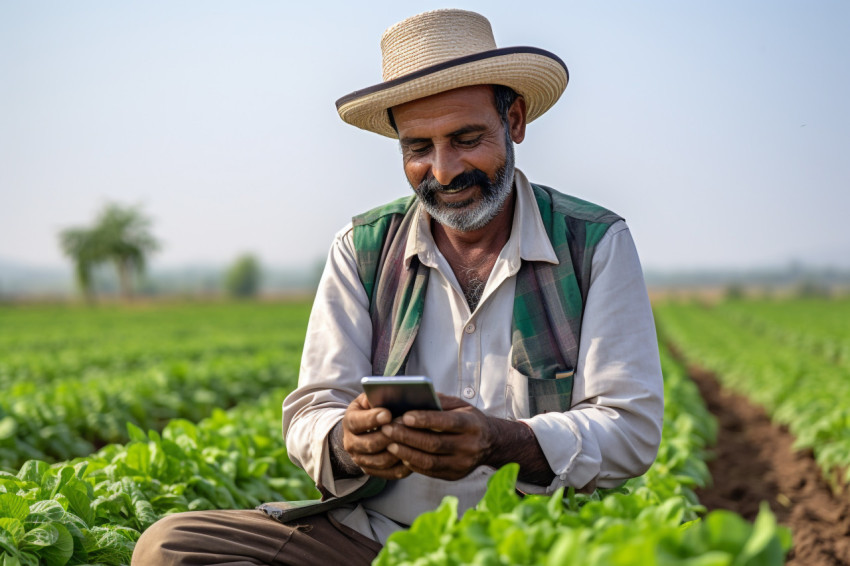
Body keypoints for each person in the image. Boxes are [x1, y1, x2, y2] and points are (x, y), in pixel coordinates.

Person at [132, 8, 663, 565]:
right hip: (375, 541)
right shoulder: (362, 249)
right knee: (169, 546)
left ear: (516, 121)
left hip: (533, 546)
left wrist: (500, 442)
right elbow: (313, 408)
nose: (443, 170)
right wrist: (348, 441)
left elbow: (629, 427)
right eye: (418, 148)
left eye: (466, 138)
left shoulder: (592, 243)